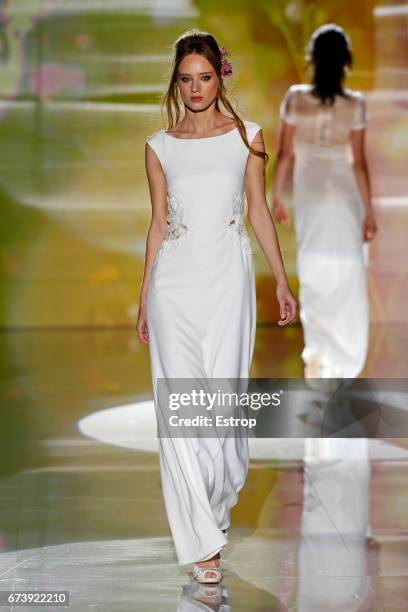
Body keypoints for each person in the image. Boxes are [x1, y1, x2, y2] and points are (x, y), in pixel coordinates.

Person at [137, 29, 296, 582]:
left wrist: (279, 280)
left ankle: (216, 502)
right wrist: (142, 299)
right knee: (180, 410)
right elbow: (158, 224)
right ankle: (201, 539)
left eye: (204, 77)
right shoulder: (160, 147)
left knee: (221, 409)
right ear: (176, 83)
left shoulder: (248, 138)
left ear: (219, 75)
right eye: (186, 79)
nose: (195, 87)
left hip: (228, 283)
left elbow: (258, 212)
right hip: (173, 288)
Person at [273, 23, 377, 380]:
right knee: (347, 275)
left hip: (312, 196)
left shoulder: (295, 97)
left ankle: (319, 356)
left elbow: (284, 153)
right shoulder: (356, 104)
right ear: (344, 61)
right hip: (344, 197)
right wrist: (369, 212)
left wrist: (277, 197)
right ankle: (343, 362)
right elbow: (359, 163)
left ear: (313, 59)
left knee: (315, 272)